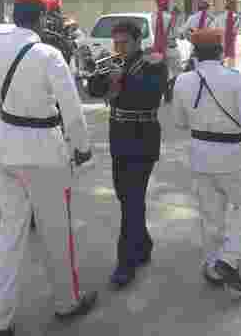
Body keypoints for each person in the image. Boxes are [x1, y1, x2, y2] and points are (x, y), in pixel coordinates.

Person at [0, 0, 97, 336]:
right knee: (57, 233)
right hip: (45, 152)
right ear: (43, 19)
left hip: (7, 147)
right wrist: (83, 147)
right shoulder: (48, 54)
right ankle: (66, 302)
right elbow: (72, 110)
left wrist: (10, 129)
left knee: (10, 235)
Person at [172, 27, 241, 297]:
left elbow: (179, 122)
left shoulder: (183, 81)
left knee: (211, 215)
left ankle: (214, 267)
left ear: (195, 53)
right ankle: (229, 259)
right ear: (220, 51)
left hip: (199, 154)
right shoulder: (233, 78)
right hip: (232, 156)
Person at [86, 20, 167, 288]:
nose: (119, 47)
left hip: (143, 136)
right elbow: (94, 91)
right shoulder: (111, 63)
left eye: (124, 43)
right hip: (119, 136)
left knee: (131, 199)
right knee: (126, 197)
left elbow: (153, 94)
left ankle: (126, 262)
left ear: (137, 42)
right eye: (116, 43)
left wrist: (122, 78)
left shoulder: (152, 63)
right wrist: (100, 76)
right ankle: (143, 243)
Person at [151, 0, 181, 102]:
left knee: (162, 72)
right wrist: (176, 18)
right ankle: (171, 91)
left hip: (158, 49)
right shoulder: (170, 17)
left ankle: (165, 91)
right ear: (166, 4)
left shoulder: (153, 17)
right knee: (176, 72)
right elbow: (176, 33)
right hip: (171, 48)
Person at [220, 0, 241, 69]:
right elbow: (236, 30)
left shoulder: (219, 17)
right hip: (231, 43)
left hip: (221, 44)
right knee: (231, 66)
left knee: (222, 64)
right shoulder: (236, 17)